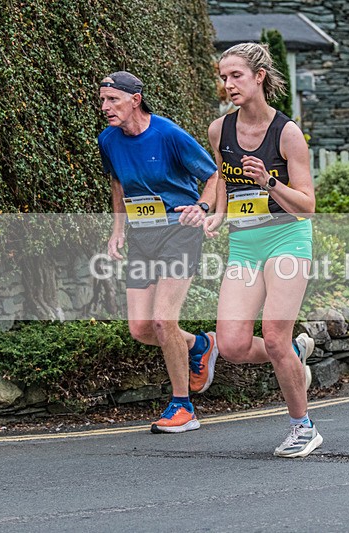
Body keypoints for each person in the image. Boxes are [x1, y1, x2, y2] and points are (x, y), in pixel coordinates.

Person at [196, 43, 322, 458]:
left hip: (287, 238)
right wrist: (216, 214)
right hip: (245, 243)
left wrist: (270, 182)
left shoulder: (287, 133)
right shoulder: (220, 130)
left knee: (272, 336)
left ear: (259, 77)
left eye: (235, 76)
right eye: (224, 76)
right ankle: (294, 355)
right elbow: (222, 181)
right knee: (231, 345)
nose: (227, 84)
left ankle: (302, 427)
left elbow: (307, 205)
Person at [98, 71, 221, 433]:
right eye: (103, 100)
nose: (105, 107)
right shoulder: (108, 139)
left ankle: (183, 407)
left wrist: (202, 207)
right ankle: (201, 344)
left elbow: (213, 176)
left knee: (163, 321)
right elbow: (117, 182)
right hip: (142, 236)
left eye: (112, 100)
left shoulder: (168, 134)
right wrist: (117, 229)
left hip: (179, 232)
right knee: (140, 328)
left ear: (135, 99)